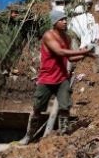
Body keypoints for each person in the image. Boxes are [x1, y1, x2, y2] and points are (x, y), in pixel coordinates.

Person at [20, 11, 93, 145]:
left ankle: (63, 135)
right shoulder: (48, 36)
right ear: (55, 22)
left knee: (65, 108)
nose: (65, 21)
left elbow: (70, 57)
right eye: (61, 19)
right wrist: (83, 51)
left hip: (62, 78)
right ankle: (29, 136)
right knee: (37, 109)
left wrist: (86, 55)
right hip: (46, 79)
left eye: (65, 19)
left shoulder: (67, 38)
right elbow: (60, 52)